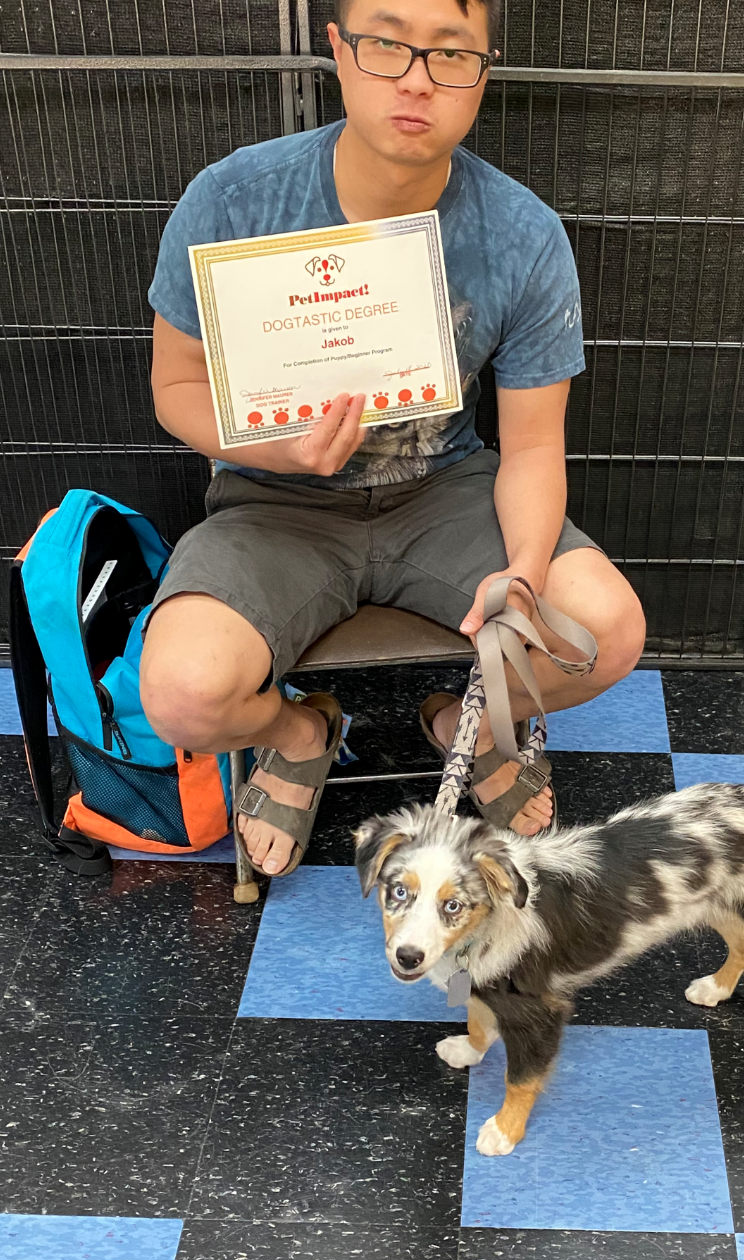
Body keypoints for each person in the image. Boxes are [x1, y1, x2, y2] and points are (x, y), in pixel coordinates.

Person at [139, 0, 647, 878]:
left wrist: (523, 571)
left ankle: (471, 721)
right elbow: (174, 388)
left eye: (451, 54)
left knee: (607, 629)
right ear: (338, 51)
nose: (416, 78)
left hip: (442, 491)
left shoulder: (520, 233)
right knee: (183, 692)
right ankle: (300, 730)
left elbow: (530, 445)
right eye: (386, 45)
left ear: (483, 72)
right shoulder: (235, 199)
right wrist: (278, 449)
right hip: (273, 504)